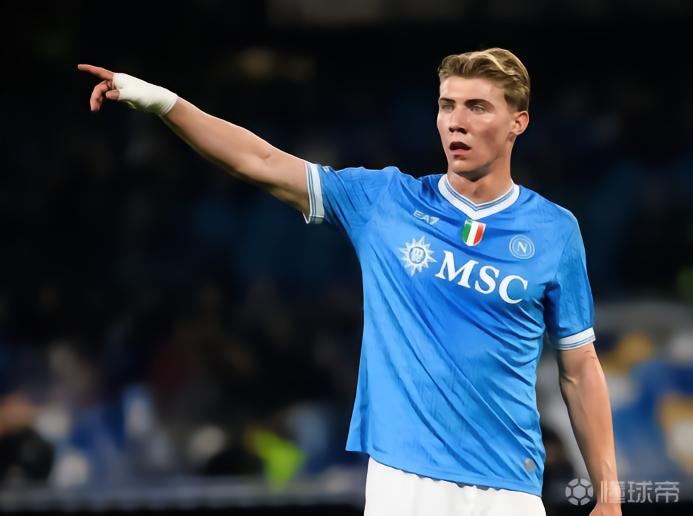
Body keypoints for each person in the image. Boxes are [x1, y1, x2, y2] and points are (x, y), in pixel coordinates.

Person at [78, 47, 621, 515]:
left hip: (510, 488)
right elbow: (258, 160)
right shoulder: (385, 202)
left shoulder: (555, 232)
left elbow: (579, 368)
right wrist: (161, 101)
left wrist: (608, 493)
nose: (456, 121)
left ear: (518, 122)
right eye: (446, 105)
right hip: (405, 483)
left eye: (477, 107)